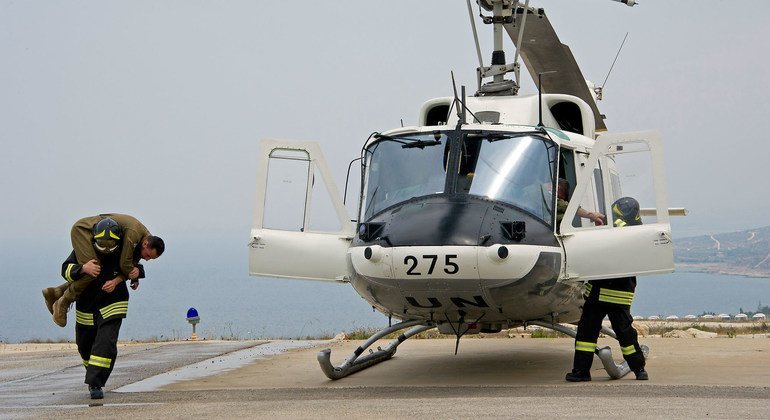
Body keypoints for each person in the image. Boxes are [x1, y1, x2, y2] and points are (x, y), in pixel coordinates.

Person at [565, 197, 647, 382]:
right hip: (619, 294)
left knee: (587, 334)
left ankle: (581, 372)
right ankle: (639, 369)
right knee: (625, 333)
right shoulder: (637, 231)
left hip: (599, 293)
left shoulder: (613, 230)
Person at [42, 214, 164, 327]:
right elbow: (125, 264)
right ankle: (63, 302)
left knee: (97, 268)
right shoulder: (134, 234)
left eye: (150, 258)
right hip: (82, 231)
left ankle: (57, 292)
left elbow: (132, 261)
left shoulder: (145, 239)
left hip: (95, 234)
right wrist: (132, 274)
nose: (146, 259)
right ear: (145, 244)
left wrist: (135, 274)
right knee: (93, 270)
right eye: (147, 255)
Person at [60, 242, 132, 399]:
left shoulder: (122, 249)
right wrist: (83, 268)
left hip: (113, 304)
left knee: (105, 343)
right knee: (84, 345)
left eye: (110, 245)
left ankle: (96, 384)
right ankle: (93, 371)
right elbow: (65, 270)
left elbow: (133, 266)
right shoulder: (82, 249)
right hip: (86, 305)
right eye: (102, 245)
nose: (107, 249)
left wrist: (134, 275)